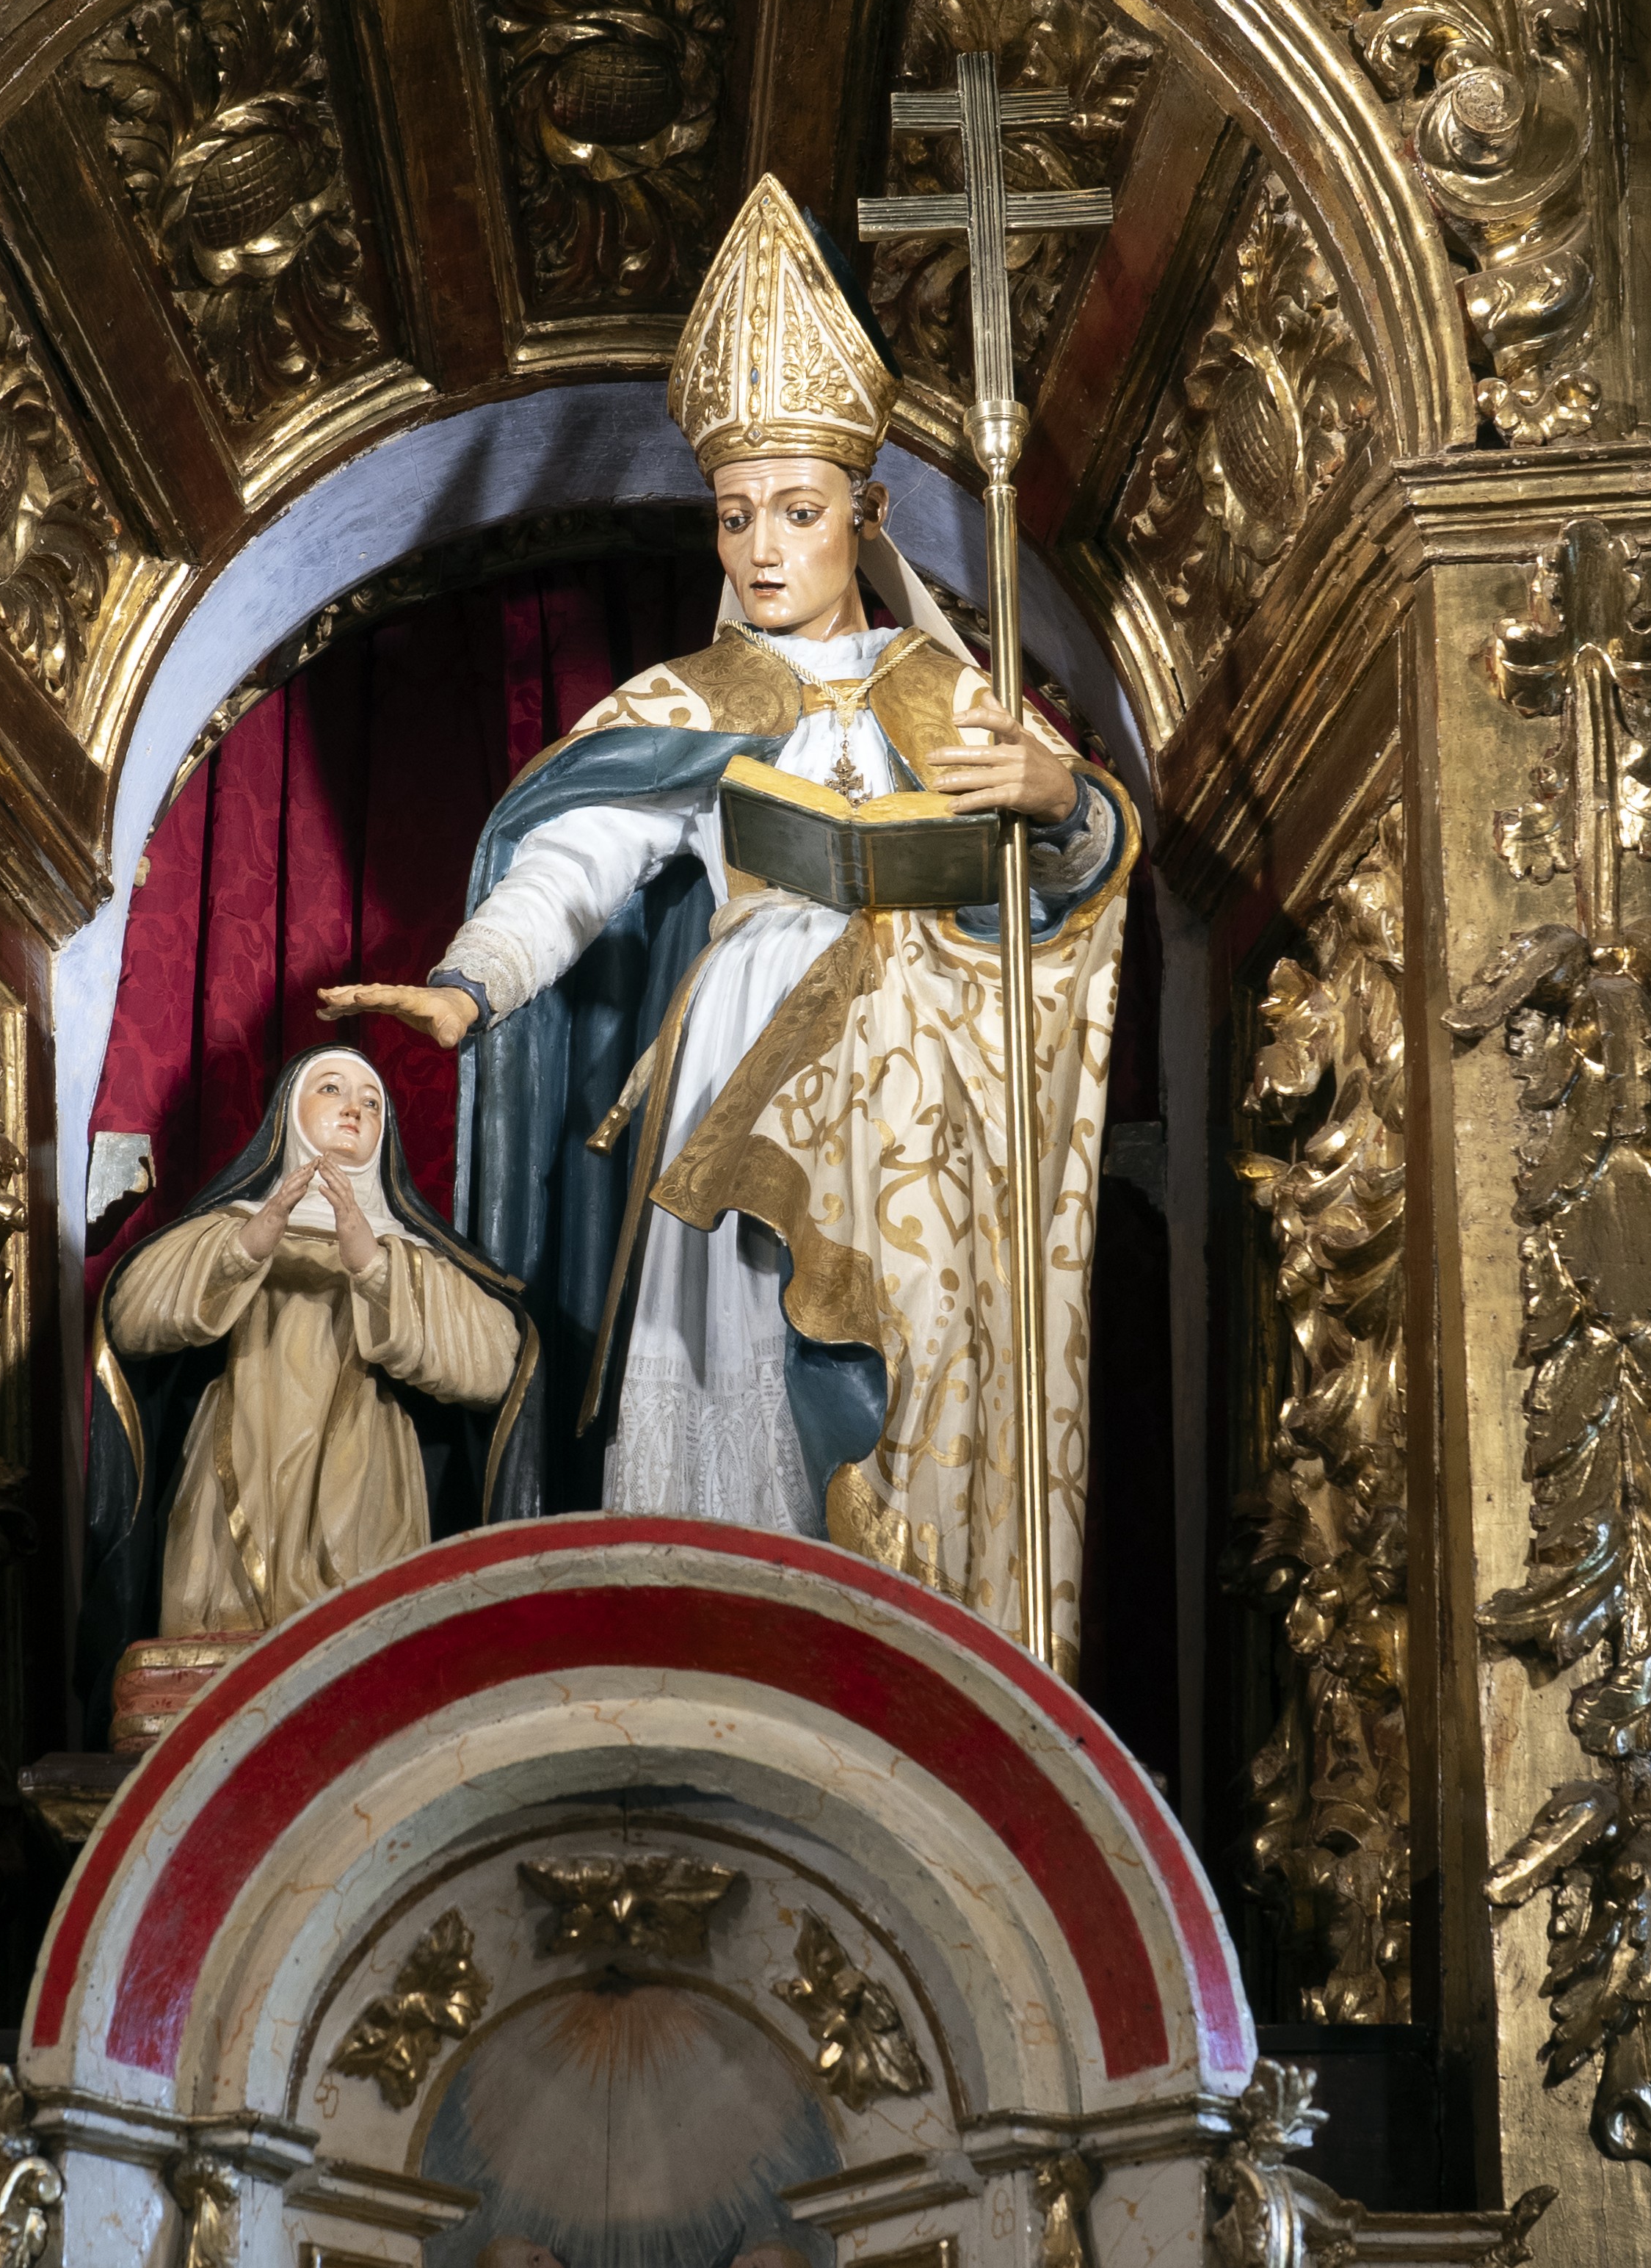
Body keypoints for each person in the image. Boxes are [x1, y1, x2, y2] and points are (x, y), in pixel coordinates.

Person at [322, 175, 1136, 1666]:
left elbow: (1067, 895)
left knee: (917, 1383)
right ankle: (719, 1644)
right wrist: (472, 981)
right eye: (737, 514)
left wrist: (1056, 794)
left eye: (799, 513)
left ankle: (912, 1656)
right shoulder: (690, 703)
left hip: (922, 1096)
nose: (763, 547)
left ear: (865, 516)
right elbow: (578, 858)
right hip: (747, 1051)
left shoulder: (950, 688)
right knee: (730, 1347)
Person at [78, 1048, 534, 1691]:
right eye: (332, 1089)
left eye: (371, 1103)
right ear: (289, 1114)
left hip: (365, 1454)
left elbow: (493, 1368)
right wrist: (248, 1245)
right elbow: (132, 1317)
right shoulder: (230, 1224)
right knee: (220, 1624)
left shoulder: (412, 1252)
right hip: (245, 1435)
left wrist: (374, 1267)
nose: (354, 1109)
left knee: (361, 1637)